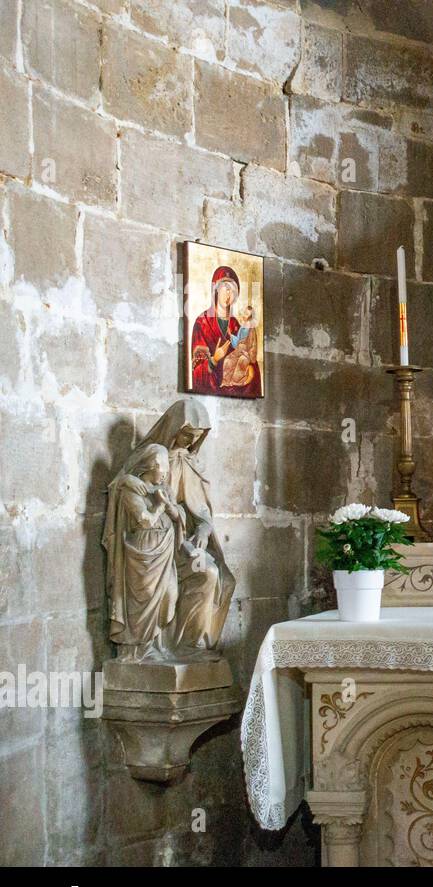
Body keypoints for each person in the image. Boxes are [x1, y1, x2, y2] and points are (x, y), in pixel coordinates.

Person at [139, 400, 232, 656]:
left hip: (184, 544)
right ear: (174, 428)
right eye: (187, 435)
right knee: (181, 580)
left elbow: (202, 510)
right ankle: (160, 646)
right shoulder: (152, 459)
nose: (191, 442)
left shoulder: (191, 463)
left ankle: (192, 644)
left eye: (196, 438)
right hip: (158, 547)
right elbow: (135, 500)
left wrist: (203, 528)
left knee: (210, 573)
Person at [103, 444, 182, 662]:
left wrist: (170, 506)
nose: (164, 475)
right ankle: (137, 650)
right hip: (142, 553)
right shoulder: (131, 489)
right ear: (149, 466)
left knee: (169, 595)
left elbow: (176, 515)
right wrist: (158, 506)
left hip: (164, 552)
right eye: (161, 470)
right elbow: (145, 521)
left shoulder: (163, 489)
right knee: (143, 600)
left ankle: (155, 643)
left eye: (166, 471)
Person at [190, 265, 261, 397]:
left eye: (233, 291)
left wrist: (250, 369)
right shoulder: (202, 323)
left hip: (235, 386)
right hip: (212, 391)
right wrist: (214, 359)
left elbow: (247, 356)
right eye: (226, 289)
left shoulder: (236, 325)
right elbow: (196, 372)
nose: (229, 295)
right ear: (216, 290)